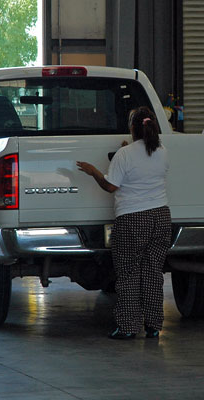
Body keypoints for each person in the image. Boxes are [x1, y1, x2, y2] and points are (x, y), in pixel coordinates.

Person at [76, 106, 171, 339]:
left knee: (128, 274)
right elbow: (143, 162)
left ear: (132, 128)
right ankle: (154, 326)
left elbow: (110, 186)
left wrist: (93, 172)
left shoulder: (124, 155)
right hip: (161, 217)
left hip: (132, 219)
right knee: (152, 273)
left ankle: (128, 328)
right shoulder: (162, 151)